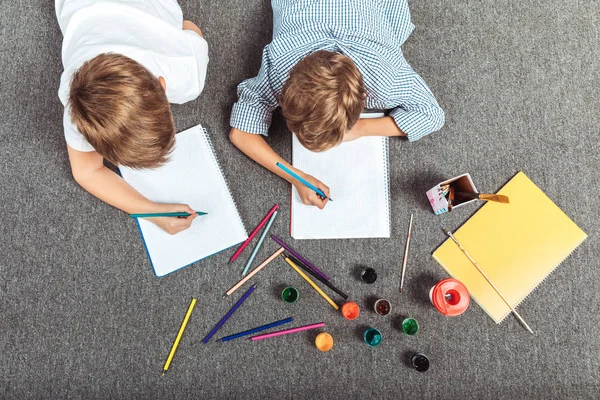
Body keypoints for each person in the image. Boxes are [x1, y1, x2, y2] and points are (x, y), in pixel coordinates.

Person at [230, 0, 445, 209]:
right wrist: (297, 177)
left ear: (364, 98)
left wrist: (362, 128)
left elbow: (433, 115)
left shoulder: (385, 76)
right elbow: (240, 133)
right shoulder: (279, 67)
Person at [56, 0, 208, 234]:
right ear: (161, 84)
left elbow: (190, 27)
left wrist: (153, 211)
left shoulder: (187, 72)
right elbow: (86, 172)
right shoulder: (75, 103)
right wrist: (152, 211)